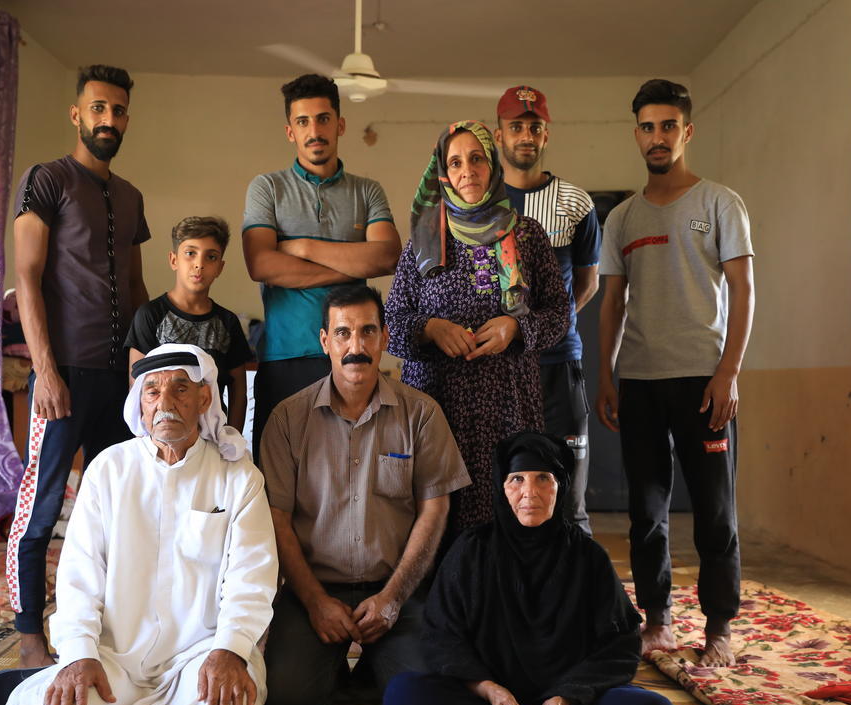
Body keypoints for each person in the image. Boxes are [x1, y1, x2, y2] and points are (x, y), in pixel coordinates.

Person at [0, 344, 278, 705]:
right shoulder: (108, 470)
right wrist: (79, 655)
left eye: (180, 389)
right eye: (152, 391)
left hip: (200, 657)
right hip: (116, 661)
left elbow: (252, 579)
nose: (165, 403)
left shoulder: (239, 478)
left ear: (204, 398)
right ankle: (45, 689)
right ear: (140, 403)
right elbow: (78, 577)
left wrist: (230, 651)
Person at [379, 432, 680, 705]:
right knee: (404, 698)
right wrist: (490, 692)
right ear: (500, 487)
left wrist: (566, 698)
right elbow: (441, 635)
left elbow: (621, 643)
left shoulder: (587, 558)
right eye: (516, 479)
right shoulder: (472, 551)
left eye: (543, 479)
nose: (529, 493)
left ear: (562, 486)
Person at [596, 79, 754, 668]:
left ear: (686, 131)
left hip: (703, 381)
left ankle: (718, 628)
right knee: (646, 512)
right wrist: (608, 377)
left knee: (715, 511)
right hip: (639, 382)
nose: (657, 137)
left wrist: (728, 373)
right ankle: (657, 622)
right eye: (647, 127)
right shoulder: (623, 219)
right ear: (636, 134)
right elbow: (611, 303)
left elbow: (743, 290)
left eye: (668, 126)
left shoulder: (719, 203)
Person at [259, 285, 470, 705]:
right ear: (325, 342)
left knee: (424, 698)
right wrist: (316, 602)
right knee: (285, 696)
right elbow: (277, 519)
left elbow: (436, 509)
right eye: (343, 334)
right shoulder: (287, 419)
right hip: (314, 590)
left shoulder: (422, 414)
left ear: (385, 337)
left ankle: (379, 665)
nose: (356, 347)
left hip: (397, 587)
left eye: (368, 332)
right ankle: (344, 672)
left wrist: (393, 598)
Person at [7, 65, 151, 668]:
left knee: (115, 508)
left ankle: (98, 625)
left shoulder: (132, 196)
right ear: (77, 114)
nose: (108, 120)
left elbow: (140, 289)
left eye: (118, 111)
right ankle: (28, 632)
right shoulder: (48, 180)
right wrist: (46, 370)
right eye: (98, 109)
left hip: (118, 382)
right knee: (41, 508)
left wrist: (146, 373)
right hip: (62, 375)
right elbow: (27, 277)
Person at [385, 120, 570, 537]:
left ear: (492, 166)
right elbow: (391, 323)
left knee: (504, 510)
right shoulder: (421, 241)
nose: (466, 170)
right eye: (455, 162)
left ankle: (502, 601)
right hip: (436, 405)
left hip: (508, 404)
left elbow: (560, 315)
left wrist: (515, 327)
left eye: (476, 158)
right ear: (443, 174)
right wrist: (430, 328)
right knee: (436, 514)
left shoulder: (526, 234)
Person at [242, 74, 401, 459]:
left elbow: (386, 256)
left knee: (349, 477)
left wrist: (303, 247)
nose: (314, 131)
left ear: (340, 125)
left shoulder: (368, 191)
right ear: (289, 131)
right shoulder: (267, 188)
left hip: (352, 355)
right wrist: (351, 265)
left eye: (324, 119)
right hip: (285, 358)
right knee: (278, 482)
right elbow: (261, 263)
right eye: (303, 122)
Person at [495, 85, 601, 538]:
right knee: (502, 494)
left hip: (559, 365)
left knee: (567, 499)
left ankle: (577, 605)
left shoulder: (575, 203)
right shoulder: (480, 203)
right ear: (499, 136)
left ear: (546, 134)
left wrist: (543, 327)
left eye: (534, 127)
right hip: (497, 370)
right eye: (515, 127)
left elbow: (587, 282)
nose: (525, 135)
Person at [125, 216, 253, 431]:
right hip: (161, 434)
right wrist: (146, 441)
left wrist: (233, 438)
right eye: (190, 253)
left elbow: (238, 390)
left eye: (210, 257)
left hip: (212, 438)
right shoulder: (150, 315)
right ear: (174, 260)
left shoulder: (228, 322)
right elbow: (137, 385)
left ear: (220, 268)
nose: (199, 264)